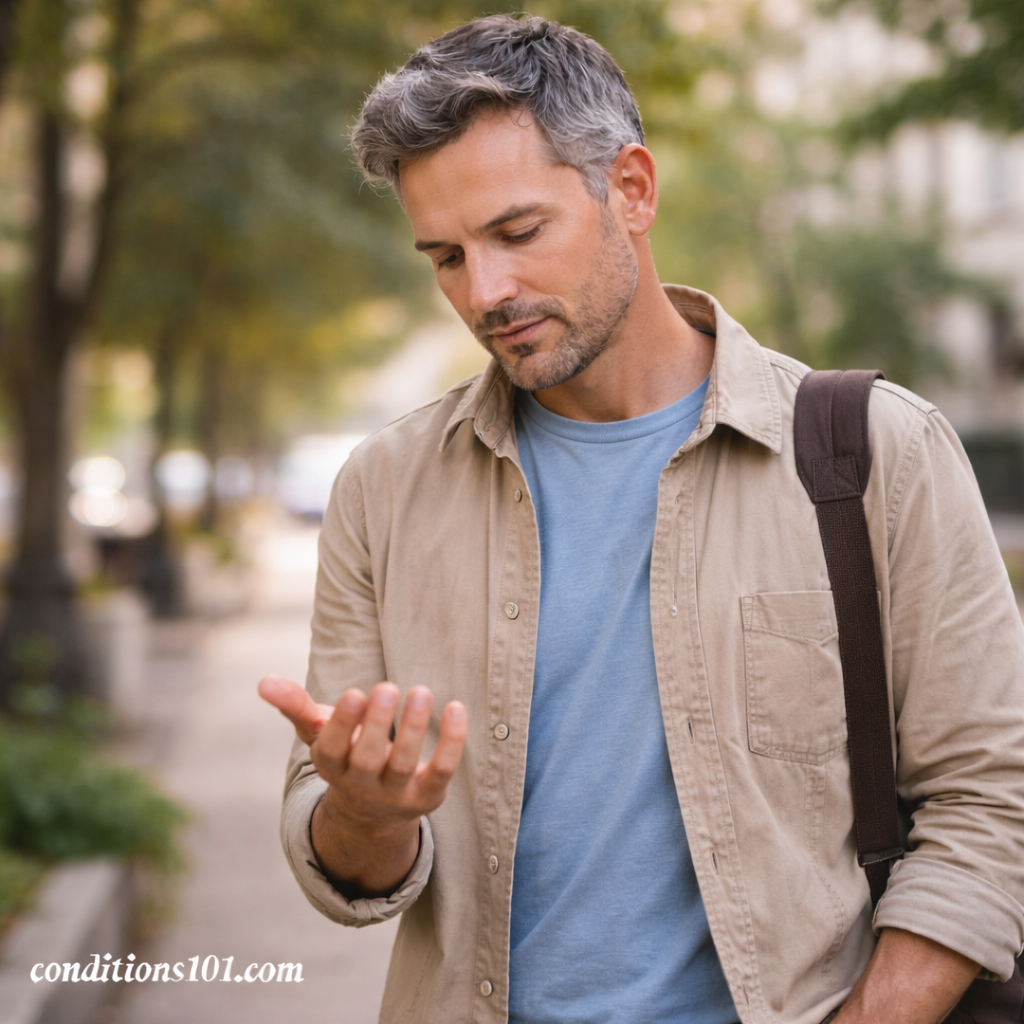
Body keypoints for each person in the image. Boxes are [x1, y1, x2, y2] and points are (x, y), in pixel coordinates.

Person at [258, 15, 1024, 1024]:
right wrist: (366, 809)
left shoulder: (880, 454)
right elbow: (345, 860)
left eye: (517, 233)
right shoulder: (385, 486)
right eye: (444, 256)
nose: (484, 291)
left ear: (631, 188)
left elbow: (989, 804)